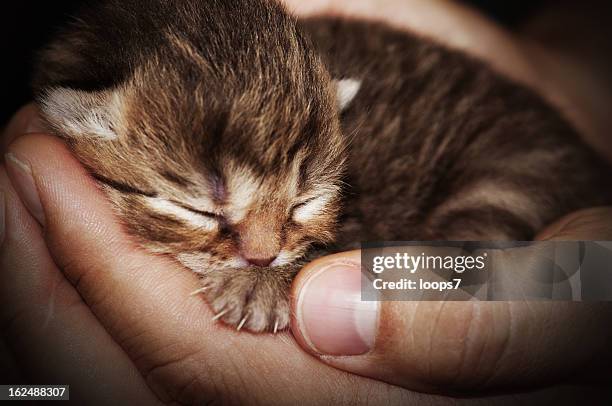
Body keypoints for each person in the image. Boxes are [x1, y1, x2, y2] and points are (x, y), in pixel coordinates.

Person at [1, 0, 611, 403]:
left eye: (301, 204)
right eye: (206, 210)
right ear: (82, 122)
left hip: (502, 156)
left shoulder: (328, 135)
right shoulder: (99, 117)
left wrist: (593, 293)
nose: (265, 250)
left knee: (480, 260)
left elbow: (584, 276)